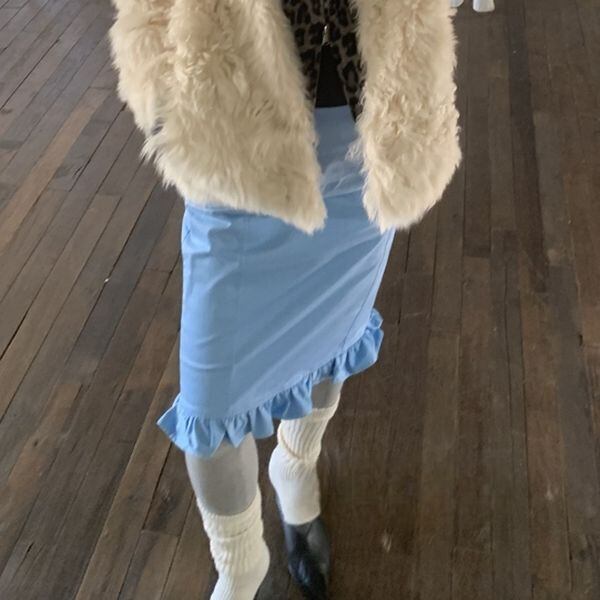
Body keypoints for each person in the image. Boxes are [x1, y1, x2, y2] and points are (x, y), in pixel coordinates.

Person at [108, 1, 461, 598]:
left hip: (375, 127)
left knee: (332, 343)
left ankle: (296, 466)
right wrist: (158, 88)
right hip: (234, 128)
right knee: (213, 404)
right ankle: (240, 565)